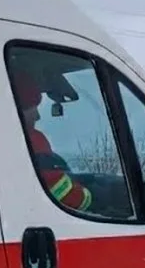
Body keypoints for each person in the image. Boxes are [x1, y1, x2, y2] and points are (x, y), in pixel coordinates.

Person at [10, 69, 94, 213]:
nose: (37, 116)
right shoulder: (31, 140)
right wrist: (91, 197)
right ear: (18, 109)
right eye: (33, 108)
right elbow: (67, 196)